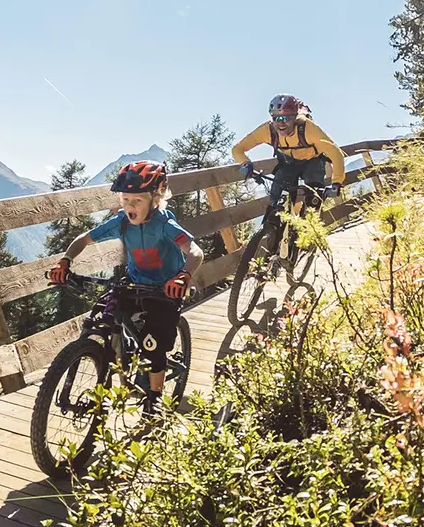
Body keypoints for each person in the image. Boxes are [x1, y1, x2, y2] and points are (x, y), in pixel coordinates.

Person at [47, 160, 203, 415]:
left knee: (154, 345)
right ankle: (116, 370)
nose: (129, 207)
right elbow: (84, 238)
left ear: (156, 198)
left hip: (165, 289)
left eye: (137, 201)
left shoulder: (165, 225)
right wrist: (65, 260)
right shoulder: (121, 222)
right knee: (104, 316)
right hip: (134, 283)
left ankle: (155, 398)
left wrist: (184, 275)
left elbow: (195, 252)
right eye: (125, 199)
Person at [232, 95, 345, 212]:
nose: (281, 123)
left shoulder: (308, 129)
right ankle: (273, 227)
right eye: (276, 118)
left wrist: (336, 182)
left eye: (286, 118)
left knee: (313, 201)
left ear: (295, 117)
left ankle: (309, 225)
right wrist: (245, 163)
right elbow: (238, 149)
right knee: (276, 201)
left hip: (313, 161)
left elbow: (335, 153)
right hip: (288, 163)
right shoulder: (267, 131)